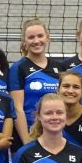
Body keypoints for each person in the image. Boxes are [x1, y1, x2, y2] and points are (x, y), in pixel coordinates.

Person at [8, 17, 62, 145]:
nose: (36, 41)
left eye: (40, 36)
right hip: (30, 134)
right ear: (24, 41)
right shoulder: (19, 68)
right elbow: (17, 108)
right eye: (31, 37)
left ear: (47, 37)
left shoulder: (60, 67)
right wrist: (26, 141)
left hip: (54, 133)